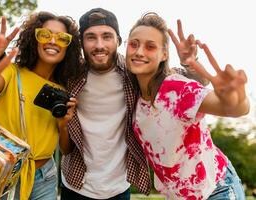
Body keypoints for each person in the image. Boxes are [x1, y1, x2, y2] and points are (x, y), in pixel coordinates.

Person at [59, 8, 208, 200]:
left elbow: (199, 82)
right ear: (81, 42)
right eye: (90, 37)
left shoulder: (136, 72)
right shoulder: (70, 76)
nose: (99, 45)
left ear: (119, 41)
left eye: (107, 36)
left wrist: (190, 62)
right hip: (75, 183)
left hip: (118, 188)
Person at [0, 11, 82, 200]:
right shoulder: (11, 72)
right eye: (45, 34)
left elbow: (65, 150)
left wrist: (63, 123)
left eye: (62, 38)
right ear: (34, 39)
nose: (52, 41)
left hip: (45, 177)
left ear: (69, 47)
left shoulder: (62, 90)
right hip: (1, 174)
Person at [126, 12, 249, 199]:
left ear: (164, 54)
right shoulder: (133, 94)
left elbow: (234, 109)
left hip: (216, 189)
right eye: (134, 44)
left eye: (150, 47)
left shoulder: (176, 88)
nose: (139, 52)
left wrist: (236, 99)